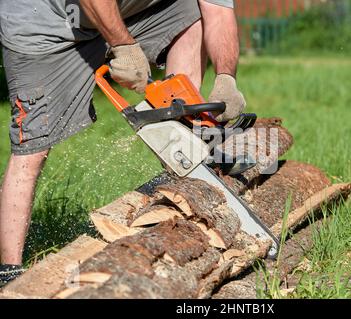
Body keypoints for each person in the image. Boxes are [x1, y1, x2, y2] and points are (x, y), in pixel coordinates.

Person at [0, 0, 246, 287]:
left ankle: (181, 125)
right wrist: (124, 46)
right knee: (32, 148)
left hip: (120, 14)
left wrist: (226, 76)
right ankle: (9, 270)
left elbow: (218, 12)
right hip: (44, 26)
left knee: (190, 11)